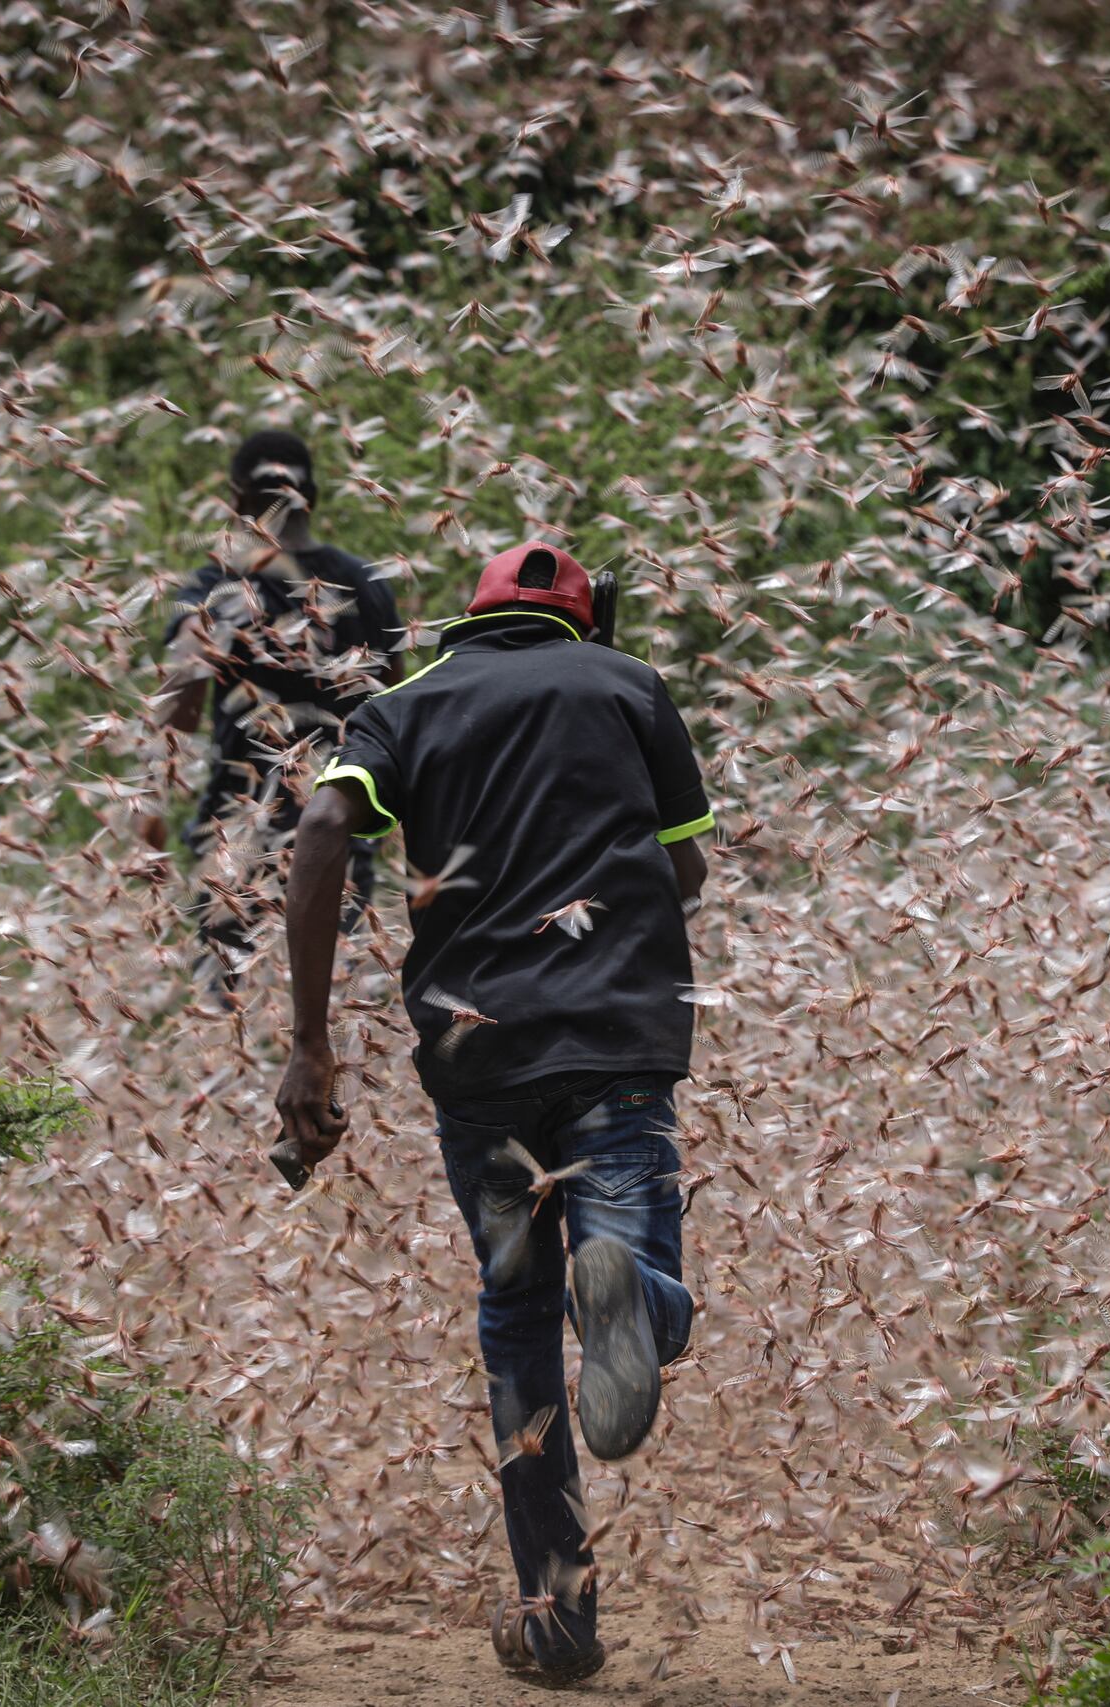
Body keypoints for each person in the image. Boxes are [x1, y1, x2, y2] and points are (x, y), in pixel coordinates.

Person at [271, 541, 716, 1686]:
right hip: (618, 1040)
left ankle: (558, 1617)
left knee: (515, 1316)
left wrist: (311, 1046)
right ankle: (632, 1296)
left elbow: (321, 835)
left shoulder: (405, 706)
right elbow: (686, 873)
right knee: (628, 1257)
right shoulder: (626, 686)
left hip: (480, 1061)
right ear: (580, 617)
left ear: (468, 620)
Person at [148, 430, 400, 985]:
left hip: (236, 835)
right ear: (314, 496)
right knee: (331, 1000)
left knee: (230, 1011)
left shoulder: (219, 587)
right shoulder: (368, 585)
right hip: (340, 825)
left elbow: (177, 719)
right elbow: (396, 713)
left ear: (236, 499)